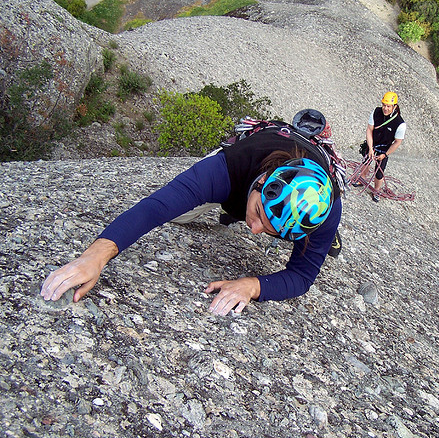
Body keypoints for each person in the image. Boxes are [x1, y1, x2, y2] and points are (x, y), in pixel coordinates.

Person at [40, 110, 343, 316]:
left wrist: (253, 286)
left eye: (268, 230)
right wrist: (95, 257)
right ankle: (228, 203)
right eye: (257, 213)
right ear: (263, 182)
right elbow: (155, 207)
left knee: (313, 242)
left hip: (299, 194)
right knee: (178, 214)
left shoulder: (323, 214)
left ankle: (314, 235)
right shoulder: (230, 166)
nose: (253, 230)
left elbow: (303, 276)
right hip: (235, 173)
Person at [359, 91, 406, 202]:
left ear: (394, 107)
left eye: (388, 106)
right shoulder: (376, 112)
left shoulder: (400, 123)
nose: (385, 108)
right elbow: (369, 130)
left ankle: (376, 190)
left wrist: (385, 154)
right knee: (366, 161)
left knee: (379, 173)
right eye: (384, 105)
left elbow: (397, 142)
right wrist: (370, 148)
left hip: (384, 148)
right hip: (373, 143)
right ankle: (362, 179)